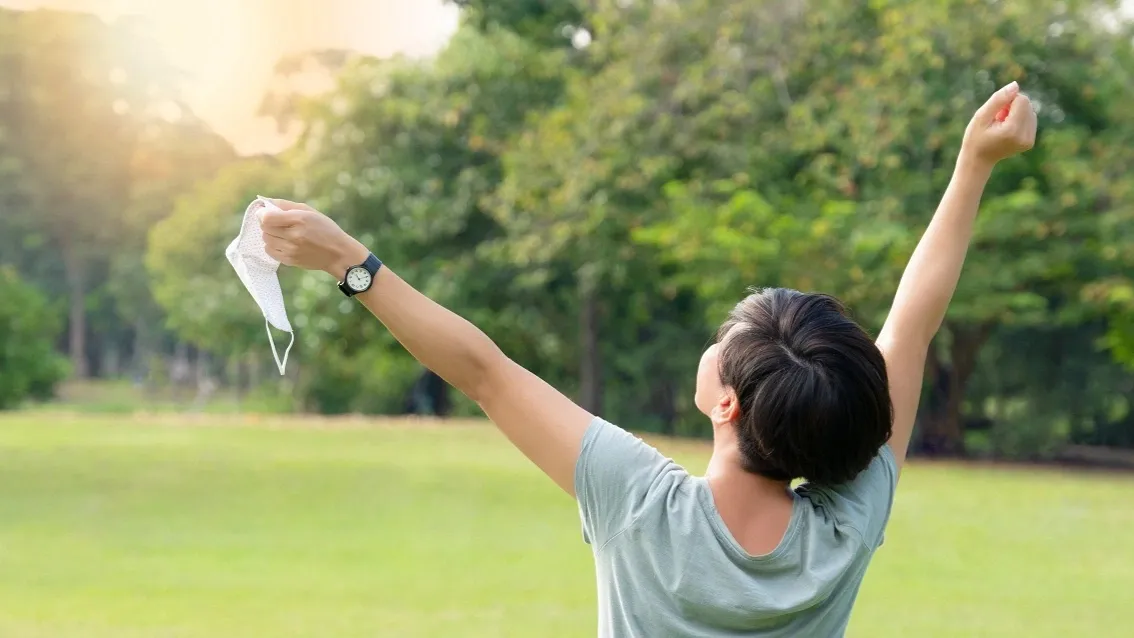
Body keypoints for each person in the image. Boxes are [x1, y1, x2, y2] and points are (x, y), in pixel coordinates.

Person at [258, 81, 1037, 636]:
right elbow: (913, 327)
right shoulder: (845, 531)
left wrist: (349, 262)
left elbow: (485, 373)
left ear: (724, 402)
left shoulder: (640, 506)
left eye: (723, 345)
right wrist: (973, 167)